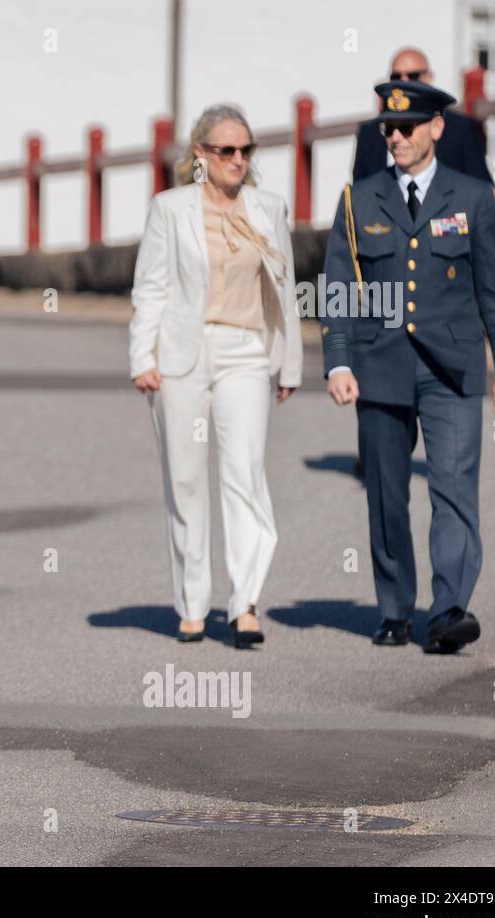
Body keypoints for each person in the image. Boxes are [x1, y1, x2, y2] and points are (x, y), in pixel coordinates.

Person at [322, 81, 495, 653]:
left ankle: (450, 607)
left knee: (454, 488)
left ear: (437, 128)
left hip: (452, 367)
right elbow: (338, 288)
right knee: (386, 494)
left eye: (408, 126)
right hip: (380, 366)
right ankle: (393, 608)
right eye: (389, 127)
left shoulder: (473, 197)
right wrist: (337, 359)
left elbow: (494, 287)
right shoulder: (359, 199)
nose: (397, 136)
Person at [129, 104, 302, 649]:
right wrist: (142, 356)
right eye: (225, 149)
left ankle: (246, 603)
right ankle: (192, 604)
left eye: (246, 150)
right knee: (184, 478)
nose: (237, 159)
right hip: (183, 352)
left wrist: (289, 362)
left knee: (245, 473)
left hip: (246, 350)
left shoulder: (269, 208)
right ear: (199, 154)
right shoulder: (169, 209)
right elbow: (151, 287)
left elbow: (286, 290)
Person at [352, 47, 490, 184]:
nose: (404, 82)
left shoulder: (461, 129)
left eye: (413, 76)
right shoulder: (369, 133)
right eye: (396, 76)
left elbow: (480, 189)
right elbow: (359, 194)